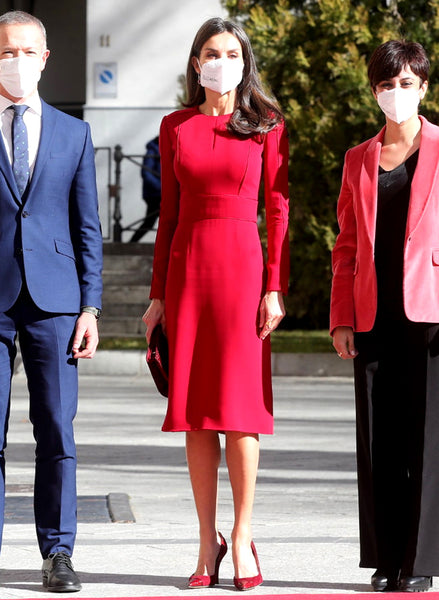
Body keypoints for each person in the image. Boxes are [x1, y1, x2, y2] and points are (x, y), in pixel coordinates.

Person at [143, 17, 289, 591]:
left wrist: (274, 284)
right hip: (187, 275)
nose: (220, 60)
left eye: (231, 52)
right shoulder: (174, 125)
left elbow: (277, 209)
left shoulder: (266, 126)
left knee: (240, 412)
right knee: (195, 415)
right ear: (195, 61)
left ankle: (244, 534)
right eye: (210, 51)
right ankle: (208, 541)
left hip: (242, 273)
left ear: (244, 61)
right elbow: (168, 219)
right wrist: (157, 295)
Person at [330, 40, 439, 593]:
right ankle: (386, 555)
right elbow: (346, 244)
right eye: (386, 85)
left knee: (424, 437)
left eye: (406, 84)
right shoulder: (359, 158)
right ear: (374, 91)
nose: (395, 94)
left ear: (423, 87)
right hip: (372, 315)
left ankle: (419, 561)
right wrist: (341, 317)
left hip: (431, 317)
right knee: (380, 438)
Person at [0, 10, 102, 593]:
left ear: (44, 57)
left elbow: (88, 227)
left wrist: (90, 307)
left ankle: (58, 553)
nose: (17, 61)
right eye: (6, 51)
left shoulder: (74, 133)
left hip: (57, 302)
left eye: (27, 51)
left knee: (56, 433)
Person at [129, 135, 161, 243]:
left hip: (158, 193)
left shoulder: (157, 149)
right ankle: (131, 245)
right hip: (155, 194)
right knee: (150, 221)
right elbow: (146, 173)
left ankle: (131, 244)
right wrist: (161, 188)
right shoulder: (152, 150)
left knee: (151, 222)